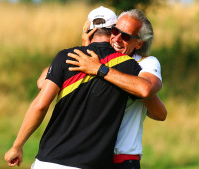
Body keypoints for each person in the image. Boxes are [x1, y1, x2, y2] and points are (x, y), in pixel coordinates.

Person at [4, 6, 142, 169]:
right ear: (114, 31)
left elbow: (41, 102)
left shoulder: (66, 57)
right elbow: (152, 103)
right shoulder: (129, 67)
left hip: (50, 161)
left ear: (88, 30)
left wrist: (17, 146)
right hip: (92, 164)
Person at [66, 9, 167, 169]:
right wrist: (86, 49)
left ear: (139, 43)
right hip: (89, 156)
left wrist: (100, 70)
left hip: (122, 158)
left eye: (126, 36)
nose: (117, 39)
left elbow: (150, 96)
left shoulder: (146, 63)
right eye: (115, 31)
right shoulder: (94, 58)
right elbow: (44, 81)